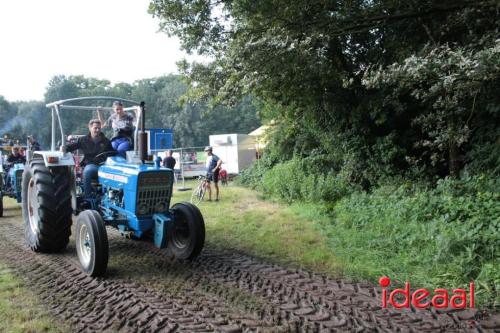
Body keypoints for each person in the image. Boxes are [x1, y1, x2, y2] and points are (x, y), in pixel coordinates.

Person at [60, 119, 113, 199]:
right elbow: (73, 146)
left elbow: (112, 153)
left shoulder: (106, 141)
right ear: (90, 128)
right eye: (95, 128)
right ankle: (88, 197)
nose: (97, 130)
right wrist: (64, 148)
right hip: (91, 165)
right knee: (88, 171)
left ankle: (112, 197)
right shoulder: (83, 140)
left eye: (99, 128)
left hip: (104, 165)